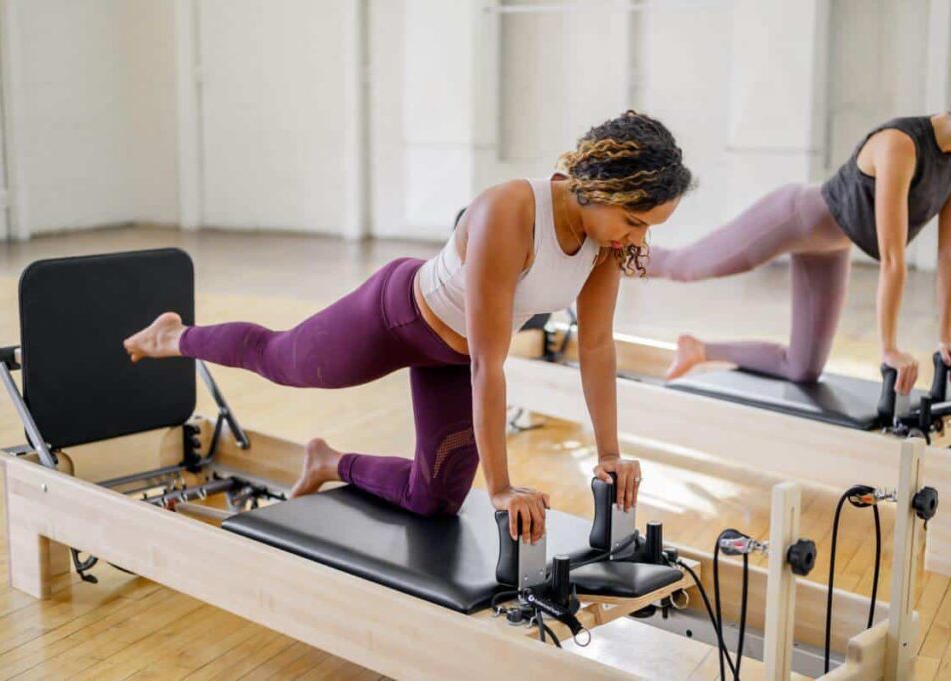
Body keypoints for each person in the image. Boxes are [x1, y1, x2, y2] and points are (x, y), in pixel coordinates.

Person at [123, 111, 694, 543]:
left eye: (648, 229)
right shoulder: (512, 210)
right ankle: (172, 335)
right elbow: (488, 365)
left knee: (434, 500)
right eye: (634, 221)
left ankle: (327, 462)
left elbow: (595, 346)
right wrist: (500, 487)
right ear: (602, 190)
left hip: (452, 358)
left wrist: (611, 454)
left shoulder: (605, 247)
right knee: (280, 360)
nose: (638, 240)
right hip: (396, 317)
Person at [649, 66, 951, 396]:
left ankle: (698, 349)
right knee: (684, 267)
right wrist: (889, 348)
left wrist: (947, 335)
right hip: (794, 218)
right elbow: (893, 258)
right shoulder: (901, 143)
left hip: (831, 247)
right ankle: (614, 253)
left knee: (802, 369)